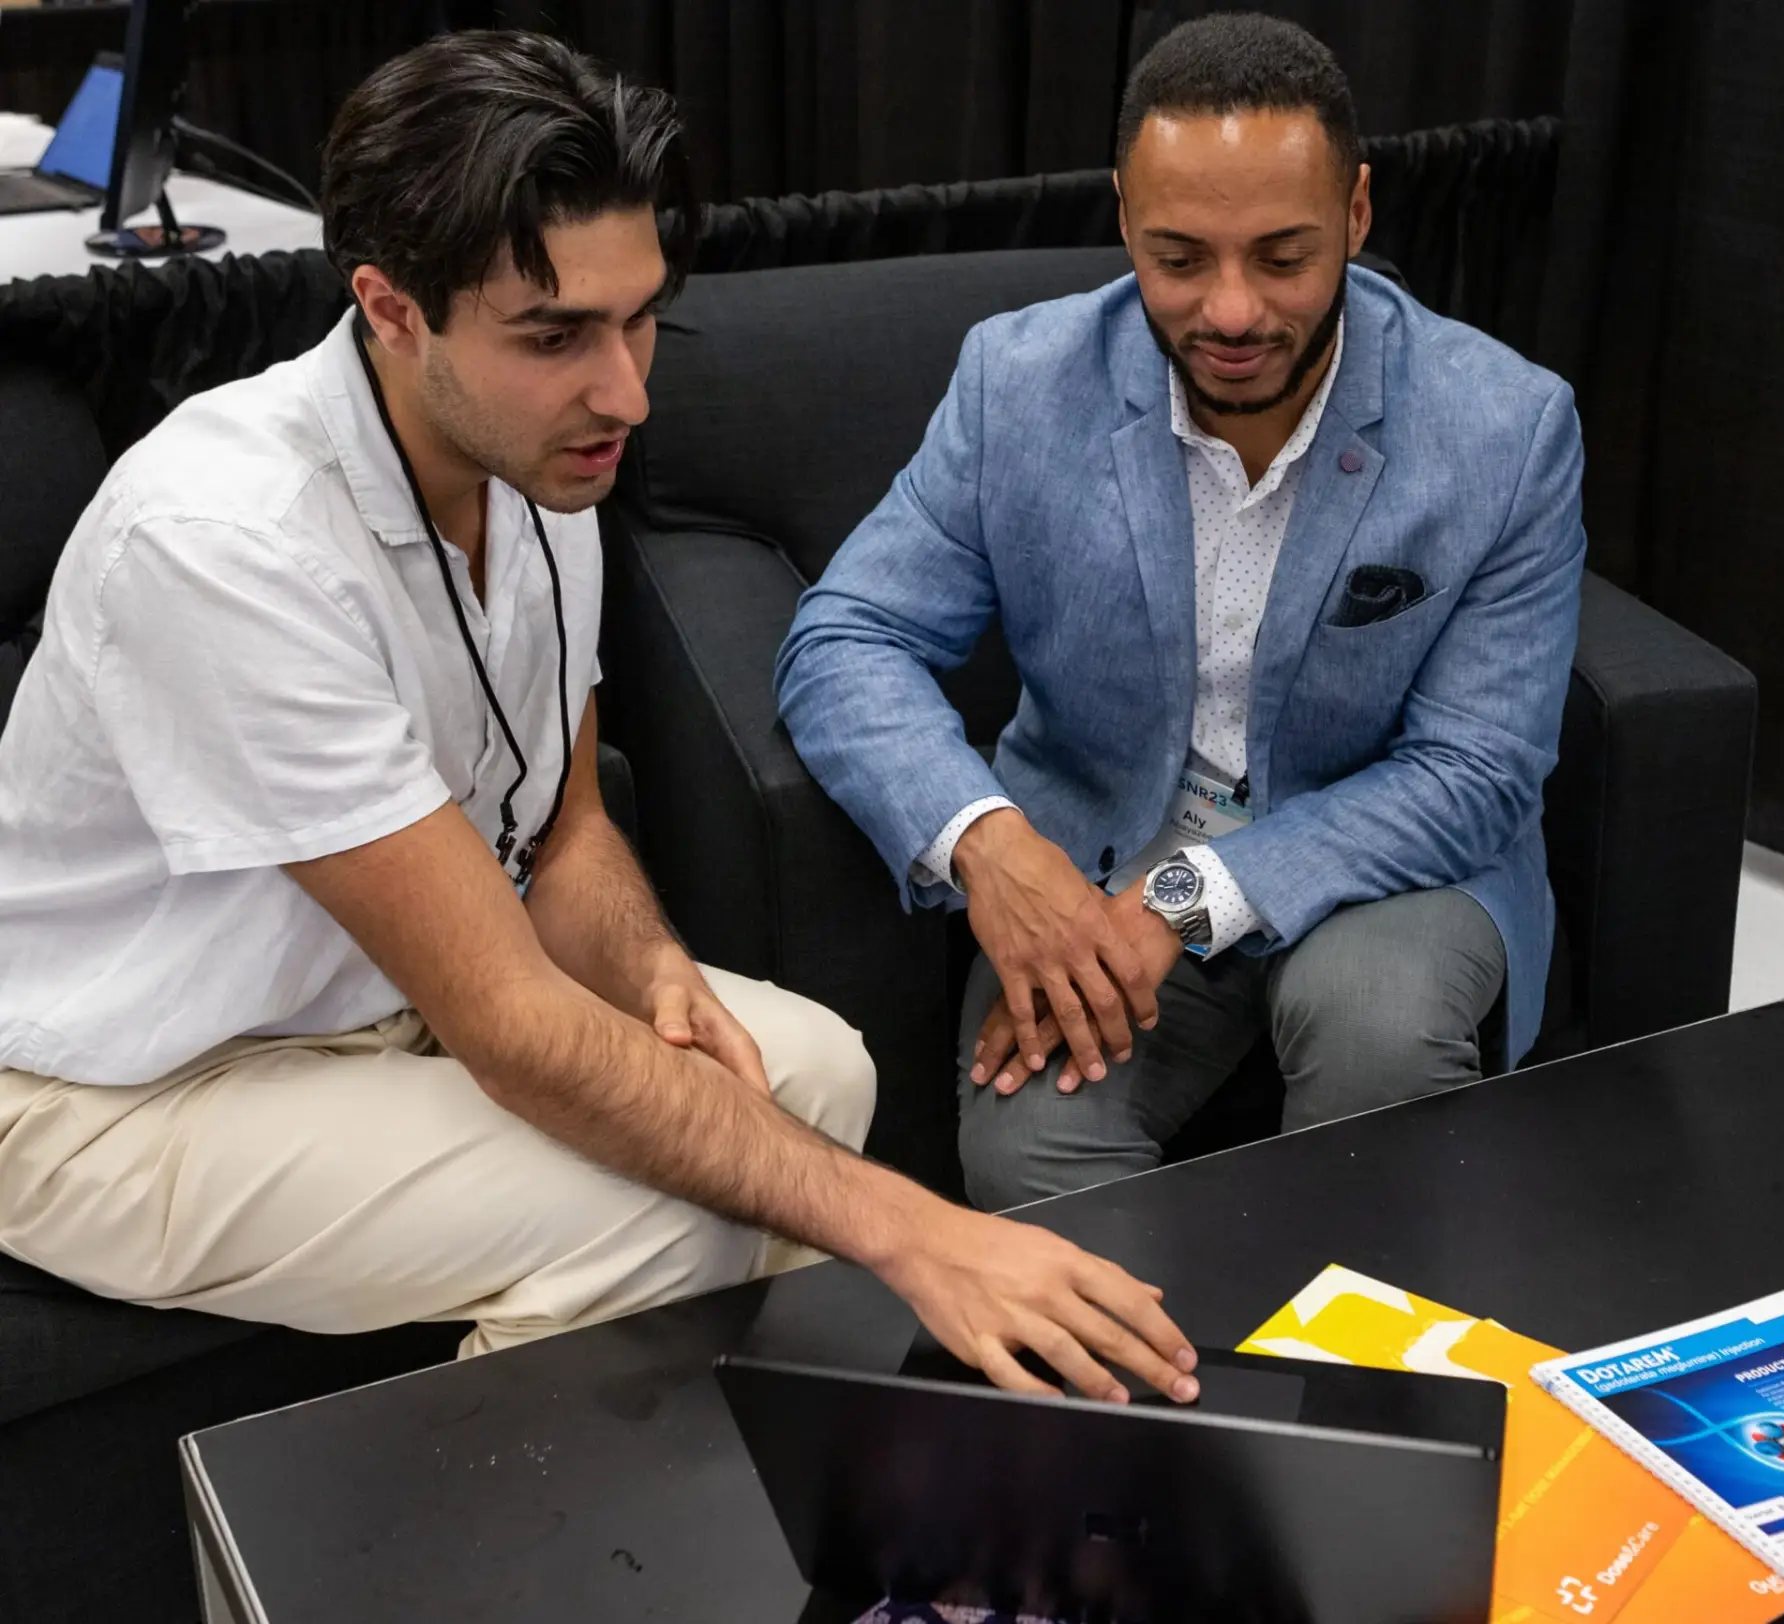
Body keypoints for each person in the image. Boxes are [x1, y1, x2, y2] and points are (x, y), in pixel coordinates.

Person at [0, 31, 1200, 1407]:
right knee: (666, 1212)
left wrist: (649, 971)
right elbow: (509, 1018)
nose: (626, 390)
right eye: (558, 334)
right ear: (391, 309)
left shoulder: (536, 463)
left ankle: (723, 1503)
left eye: (638, 318)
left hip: (373, 1009)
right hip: (105, 1096)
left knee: (814, 1070)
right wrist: (920, 1232)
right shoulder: (224, 542)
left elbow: (559, 828)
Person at [776, 13, 1587, 1213]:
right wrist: (991, 846)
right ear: (1121, 219)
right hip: (1102, 851)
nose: (1232, 311)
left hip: (1386, 859)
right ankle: (1163, 1394)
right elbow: (845, 639)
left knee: (1376, 1031)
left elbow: (1475, 772)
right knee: (1023, 1152)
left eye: (1281, 255)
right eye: (1179, 258)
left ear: (1358, 216)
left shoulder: (1508, 429)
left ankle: (1347, 1376)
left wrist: (1187, 898)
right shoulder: (1017, 381)